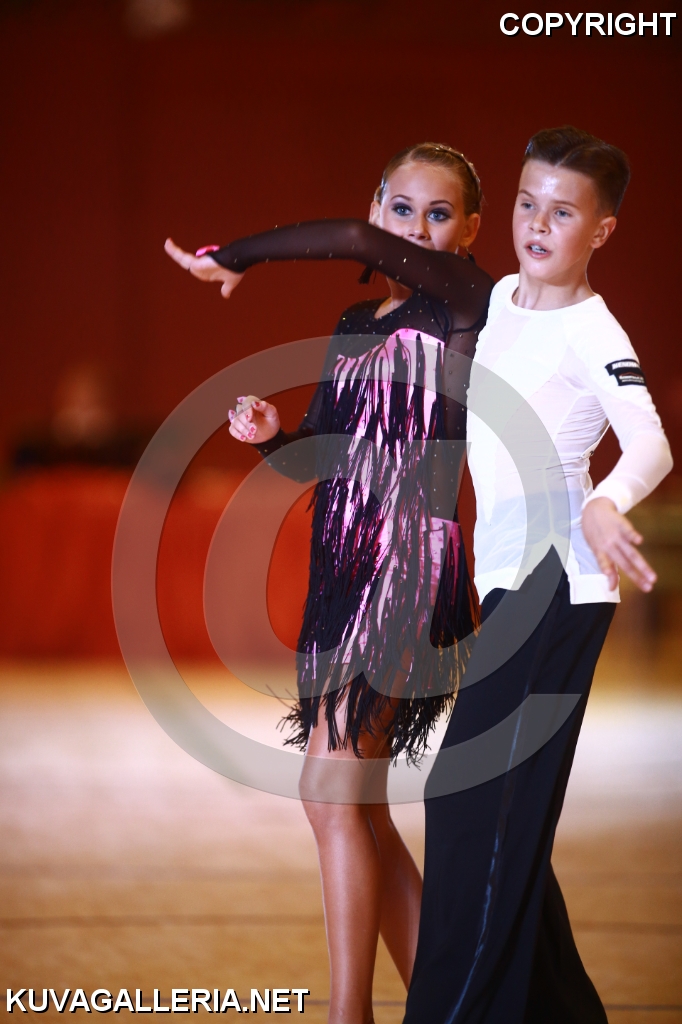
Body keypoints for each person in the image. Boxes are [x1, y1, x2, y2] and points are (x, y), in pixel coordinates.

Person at [165, 143, 493, 1024]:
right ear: (380, 205)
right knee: (359, 807)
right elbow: (322, 455)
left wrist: (236, 255)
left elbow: (350, 236)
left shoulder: (464, 302)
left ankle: (349, 1013)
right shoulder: (355, 320)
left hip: (407, 563)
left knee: (328, 790)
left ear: (468, 229)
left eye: (438, 213)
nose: (415, 227)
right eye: (400, 208)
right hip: (340, 570)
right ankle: (447, 1007)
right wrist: (272, 433)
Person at [402, 127, 673, 1023]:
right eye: (528, 203)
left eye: (563, 212)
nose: (537, 224)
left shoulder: (595, 332)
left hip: (558, 586)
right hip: (508, 580)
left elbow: (651, 446)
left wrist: (607, 501)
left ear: (602, 230)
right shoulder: (501, 298)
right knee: (500, 816)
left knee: (467, 799)